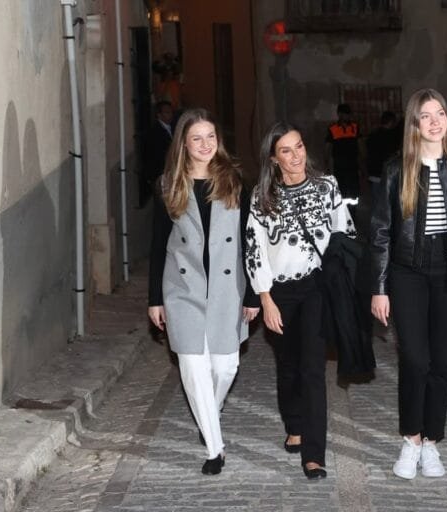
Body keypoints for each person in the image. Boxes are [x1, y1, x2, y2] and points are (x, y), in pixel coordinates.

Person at [147, 108, 260, 475]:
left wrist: (254, 294)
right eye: (196, 138)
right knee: (194, 369)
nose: (205, 144)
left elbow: (249, 241)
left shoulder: (235, 181)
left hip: (229, 288)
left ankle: (211, 408)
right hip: (183, 289)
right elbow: (158, 244)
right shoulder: (169, 185)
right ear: (183, 143)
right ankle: (215, 449)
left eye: (210, 136)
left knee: (226, 367)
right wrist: (155, 299)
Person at [368, 89, 447, 480]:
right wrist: (379, 288)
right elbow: (380, 230)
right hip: (406, 274)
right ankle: (411, 439)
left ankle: (431, 442)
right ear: (414, 124)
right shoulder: (397, 169)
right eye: (425, 115)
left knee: (442, 363)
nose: (434, 122)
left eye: (440, 113)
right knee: (415, 360)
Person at [245, 122, 356, 480]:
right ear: (273, 159)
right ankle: (294, 423)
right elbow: (255, 249)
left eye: (299, 146)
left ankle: (314, 454)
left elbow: (345, 233)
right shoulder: (263, 197)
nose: (295, 156)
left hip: (316, 289)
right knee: (288, 365)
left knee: (312, 368)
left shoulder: (327, 186)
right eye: (286, 151)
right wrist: (265, 298)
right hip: (280, 292)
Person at [141, 100, 174, 207]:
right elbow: (156, 155)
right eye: (167, 112)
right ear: (159, 115)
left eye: (171, 112)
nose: (170, 115)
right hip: (161, 173)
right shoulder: (155, 132)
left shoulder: (171, 128)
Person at [325, 103, 361, 200]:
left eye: (348, 114)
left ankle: (353, 209)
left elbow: (360, 144)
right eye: (345, 114)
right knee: (342, 189)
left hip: (353, 163)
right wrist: (327, 164)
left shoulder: (355, 127)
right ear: (339, 114)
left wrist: (362, 162)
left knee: (354, 190)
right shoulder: (333, 129)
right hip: (339, 164)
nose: (347, 116)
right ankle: (343, 208)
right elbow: (328, 147)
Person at [366, 110, 401, 186]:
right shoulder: (392, 136)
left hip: (374, 174)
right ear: (391, 122)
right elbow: (394, 154)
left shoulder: (372, 135)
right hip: (386, 173)